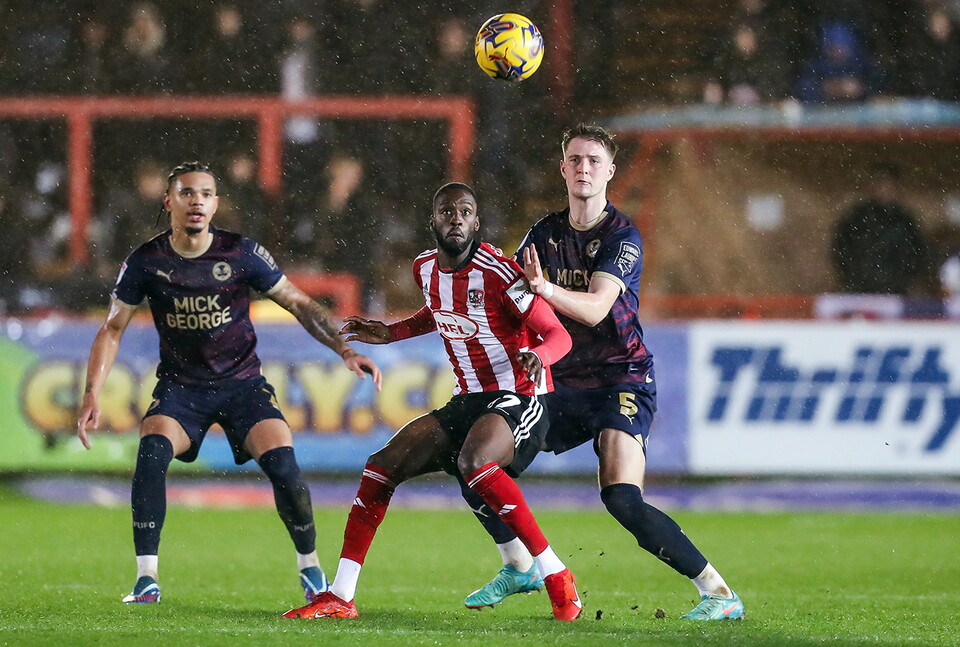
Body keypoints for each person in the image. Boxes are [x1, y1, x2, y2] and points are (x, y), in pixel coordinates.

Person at [459, 125, 745, 621]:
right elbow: (516, 298)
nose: (584, 168)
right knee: (476, 466)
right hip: (562, 382)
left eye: (594, 160)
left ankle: (719, 593)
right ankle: (520, 564)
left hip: (622, 378)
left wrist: (545, 290)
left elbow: (595, 309)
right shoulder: (542, 234)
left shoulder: (622, 236)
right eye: (575, 159)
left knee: (622, 498)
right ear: (563, 169)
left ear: (610, 171)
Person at [75, 162, 382, 605]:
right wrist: (91, 394)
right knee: (152, 453)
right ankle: (146, 578)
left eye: (205, 193)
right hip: (181, 390)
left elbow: (299, 303)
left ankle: (311, 568)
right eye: (187, 193)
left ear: (216, 203)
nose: (196, 201)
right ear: (169, 201)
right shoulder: (146, 261)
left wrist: (344, 349)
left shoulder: (242, 254)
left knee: (284, 466)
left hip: (243, 386)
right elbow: (112, 328)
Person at [280, 182, 582, 621]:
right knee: (381, 466)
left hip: (519, 396)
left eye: (465, 211)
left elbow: (558, 333)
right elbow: (437, 313)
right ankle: (341, 595)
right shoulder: (424, 268)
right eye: (447, 211)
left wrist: (540, 355)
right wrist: (391, 332)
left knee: (474, 462)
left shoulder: (501, 273)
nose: (456, 218)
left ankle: (556, 574)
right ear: (433, 220)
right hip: (467, 399)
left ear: (476, 223)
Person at [831, 163, 928, 295]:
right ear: (872, 186)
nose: (885, 189)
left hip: (895, 292)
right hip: (860, 291)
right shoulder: (857, 218)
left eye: (890, 184)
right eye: (881, 183)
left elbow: (918, 254)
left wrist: (904, 281)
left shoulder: (905, 220)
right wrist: (852, 278)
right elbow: (841, 249)